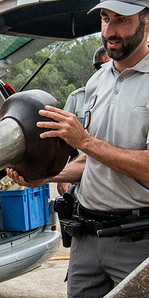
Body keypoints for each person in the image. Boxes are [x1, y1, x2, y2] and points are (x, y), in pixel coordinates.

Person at [6, 0, 149, 298]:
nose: (109, 31)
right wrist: (42, 177)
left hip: (139, 241)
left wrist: (84, 141)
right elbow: (90, 163)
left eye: (121, 20)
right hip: (86, 239)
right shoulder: (98, 83)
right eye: (105, 18)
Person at [58, 47, 110, 197]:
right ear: (94, 68)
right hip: (81, 171)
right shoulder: (78, 97)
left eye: (111, 64)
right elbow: (64, 141)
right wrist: (63, 174)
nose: (106, 69)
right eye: (101, 66)